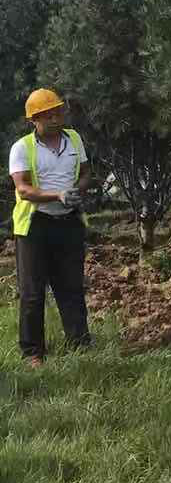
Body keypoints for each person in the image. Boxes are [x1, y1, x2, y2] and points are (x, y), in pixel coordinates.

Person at [9, 88, 92, 366]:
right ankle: (33, 352)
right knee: (33, 293)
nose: (56, 118)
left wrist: (77, 191)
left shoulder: (74, 139)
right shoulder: (22, 148)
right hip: (35, 225)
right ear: (34, 119)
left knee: (71, 287)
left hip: (68, 222)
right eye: (48, 115)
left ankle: (80, 343)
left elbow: (85, 173)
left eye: (58, 112)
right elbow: (23, 189)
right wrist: (57, 195)